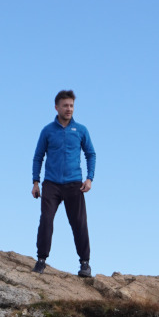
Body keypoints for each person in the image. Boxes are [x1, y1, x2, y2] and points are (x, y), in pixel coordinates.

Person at [31, 90, 96, 276]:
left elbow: (91, 154)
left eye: (71, 106)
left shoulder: (81, 130)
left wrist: (89, 178)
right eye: (65, 105)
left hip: (74, 184)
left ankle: (85, 264)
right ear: (56, 107)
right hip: (51, 184)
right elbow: (38, 157)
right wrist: (35, 182)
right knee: (46, 220)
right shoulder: (47, 131)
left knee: (79, 223)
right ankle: (41, 260)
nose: (69, 109)